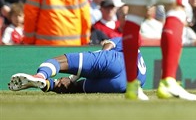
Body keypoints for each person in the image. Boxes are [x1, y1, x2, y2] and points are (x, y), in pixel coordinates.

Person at [8, 37, 147, 94]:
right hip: (122, 84)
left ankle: (40, 75)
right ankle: (46, 84)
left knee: (59, 61)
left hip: (115, 62)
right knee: (74, 88)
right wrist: (73, 80)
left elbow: (106, 50)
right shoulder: (141, 63)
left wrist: (100, 54)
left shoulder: (123, 40)